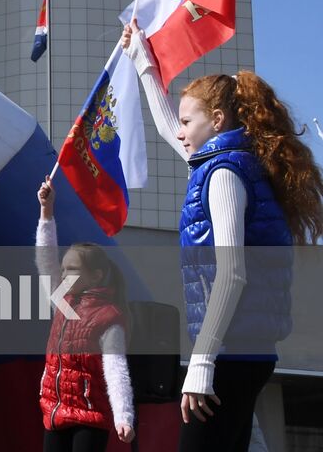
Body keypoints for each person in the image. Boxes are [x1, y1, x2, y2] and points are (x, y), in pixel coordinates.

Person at [123, 23, 323, 451]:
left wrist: (203, 360)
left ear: (216, 121)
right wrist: (141, 60)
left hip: (230, 352)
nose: (180, 132)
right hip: (245, 351)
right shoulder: (228, 162)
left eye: (187, 121)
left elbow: (233, 273)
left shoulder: (225, 174)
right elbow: (165, 129)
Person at [35, 179, 135, 451]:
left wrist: (123, 414)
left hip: (90, 416)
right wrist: (47, 212)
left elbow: (116, 370)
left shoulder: (108, 317)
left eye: (72, 270)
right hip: (56, 409)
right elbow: (45, 261)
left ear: (96, 276)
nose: (63, 274)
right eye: (64, 268)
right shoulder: (62, 302)